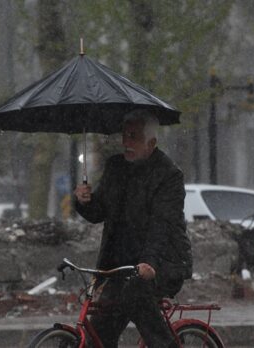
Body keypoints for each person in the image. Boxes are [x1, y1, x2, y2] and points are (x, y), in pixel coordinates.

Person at [73, 110, 193, 348]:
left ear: (152, 143)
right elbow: (99, 212)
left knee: (135, 293)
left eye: (134, 137)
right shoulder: (116, 166)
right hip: (122, 265)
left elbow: (163, 223)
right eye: (125, 136)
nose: (126, 142)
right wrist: (84, 202)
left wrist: (150, 262)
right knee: (98, 334)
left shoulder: (168, 174)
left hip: (163, 263)